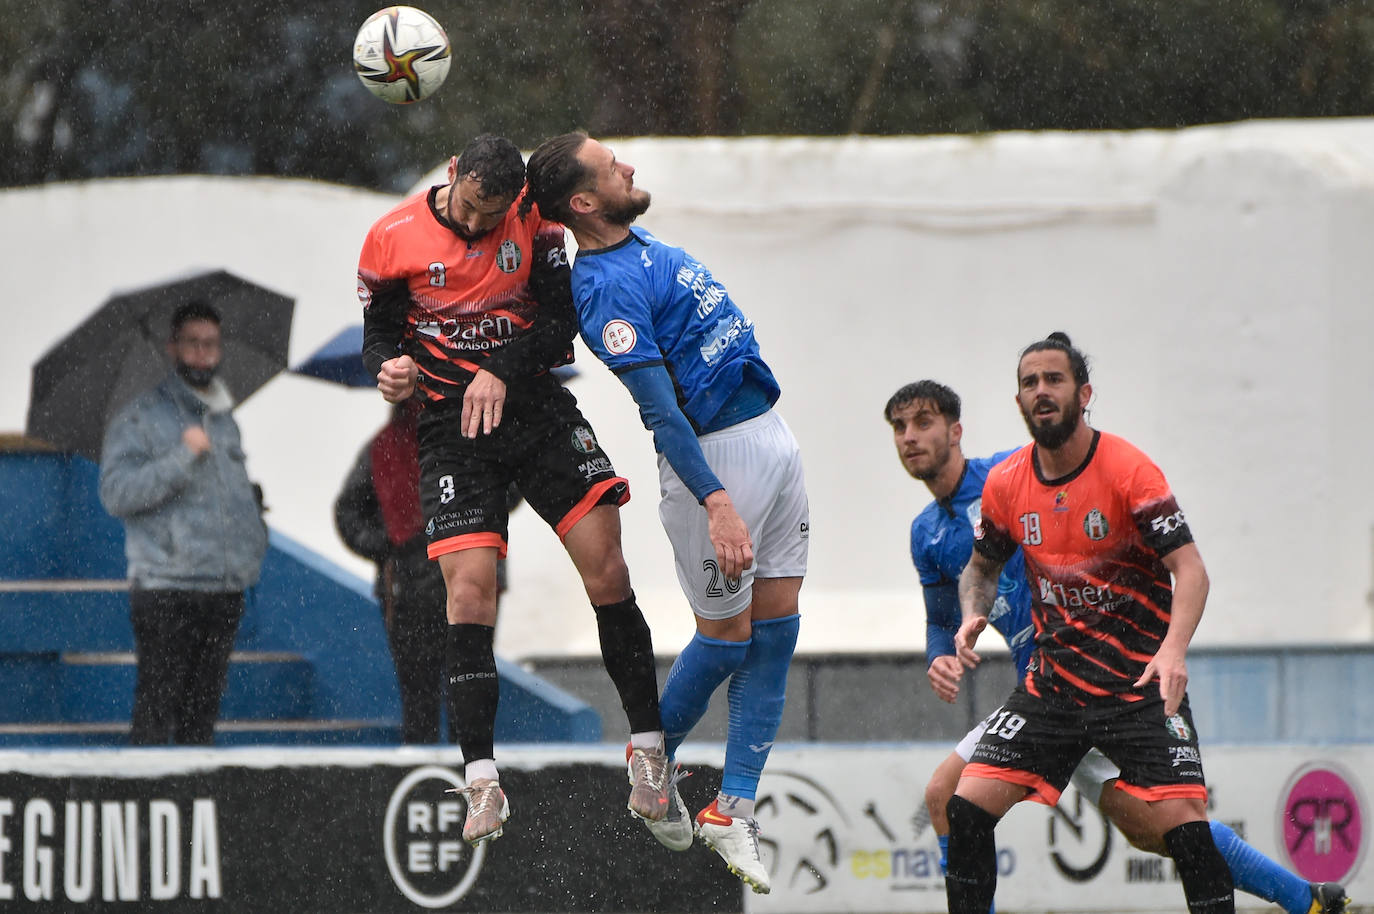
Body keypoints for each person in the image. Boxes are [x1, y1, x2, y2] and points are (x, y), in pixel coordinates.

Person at [885, 379, 1349, 914]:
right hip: (1048, 693)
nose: (910, 437)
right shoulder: (926, 533)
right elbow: (941, 621)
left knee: (951, 796)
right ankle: (1310, 901)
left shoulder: (1010, 474)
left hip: (1093, 677)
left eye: (923, 423)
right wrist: (939, 654)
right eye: (900, 428)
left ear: (956, 430)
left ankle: (1307, 901)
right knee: (1151, 831)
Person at [356, 134, 668, 847]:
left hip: (533, 407)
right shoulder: (392, 237)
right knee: (468, 592)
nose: (476, 226)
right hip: (449, 424)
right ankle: (482, 783)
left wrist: (499, 365)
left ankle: (648, 754)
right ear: (451, 175)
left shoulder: (538, 219)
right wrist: (389, 370)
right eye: (468, 209)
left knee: (609, 569)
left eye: (491, 217)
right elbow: (380, 333)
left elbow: (562, 322)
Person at [524, 132, 808, 895]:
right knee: (725, 641)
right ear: (584, 203)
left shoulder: (641, 242)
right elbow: (660, 413)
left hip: (769, 440)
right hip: (715, 465)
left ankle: (733, 808)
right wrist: (717, 501)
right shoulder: (606, 289)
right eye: (613, 166)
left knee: (778, 631)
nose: (630, 167)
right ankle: (651, 761)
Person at [946, 332, 1234, 914]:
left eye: (1054, 379)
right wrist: (974, 610)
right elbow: (980, 567)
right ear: (1019, 402)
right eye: (1030, 383)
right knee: (965, 809)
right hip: (1054, 687)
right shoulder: (1005, 484)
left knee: (1185, 829)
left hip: (1138, 684)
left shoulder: (1129, 471)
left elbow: (1192, 571)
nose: (1041, 391)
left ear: (1084, 394)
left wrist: (1173, 651)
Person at [98, 300, 269, 745]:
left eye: (210, 344)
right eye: (192, 343)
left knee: (202, 718)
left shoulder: (224, 416)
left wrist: (254, 531)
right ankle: (148, 810)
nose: (202, 354)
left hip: (223, 585)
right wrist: (182, 456)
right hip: (166, 587)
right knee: (157, 711)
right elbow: (116, 494)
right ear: (172, 347)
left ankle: (194, 812)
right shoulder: (139, 416)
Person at [334, 398, 451, 744]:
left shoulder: (468, 439)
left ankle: (471, 777)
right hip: (407, 586)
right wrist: (389, 545)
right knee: (421, 697)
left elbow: (509, 491)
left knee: (464, 694)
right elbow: (348, 513)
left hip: (463, 578)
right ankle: (436, 781)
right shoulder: (383, 448)